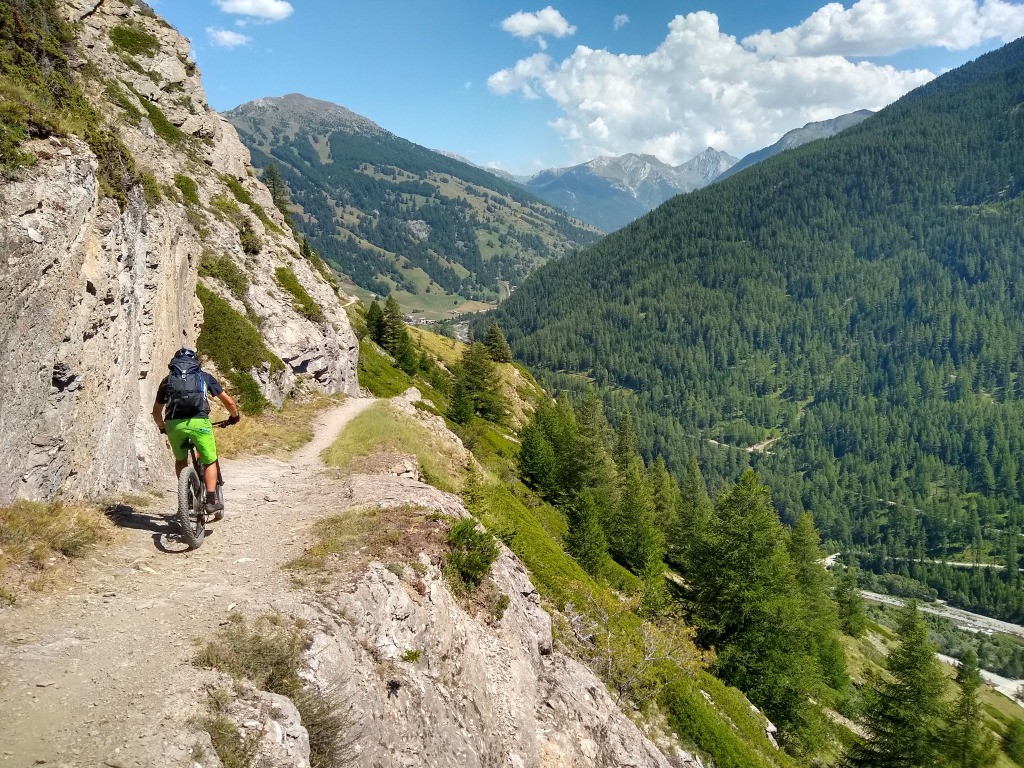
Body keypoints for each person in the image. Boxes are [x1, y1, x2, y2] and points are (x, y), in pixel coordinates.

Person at [152, 347, 240, 516]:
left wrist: (163, 427)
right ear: (196, 363)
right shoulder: (204, 377)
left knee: (181, 459)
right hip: (199, 423)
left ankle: (187, 495)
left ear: (174, 364)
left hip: (174, 424)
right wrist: (234, 417)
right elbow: (229, 403)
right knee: (209, 459)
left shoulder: (167, 380)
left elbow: (156, 412)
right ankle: (211, 500)